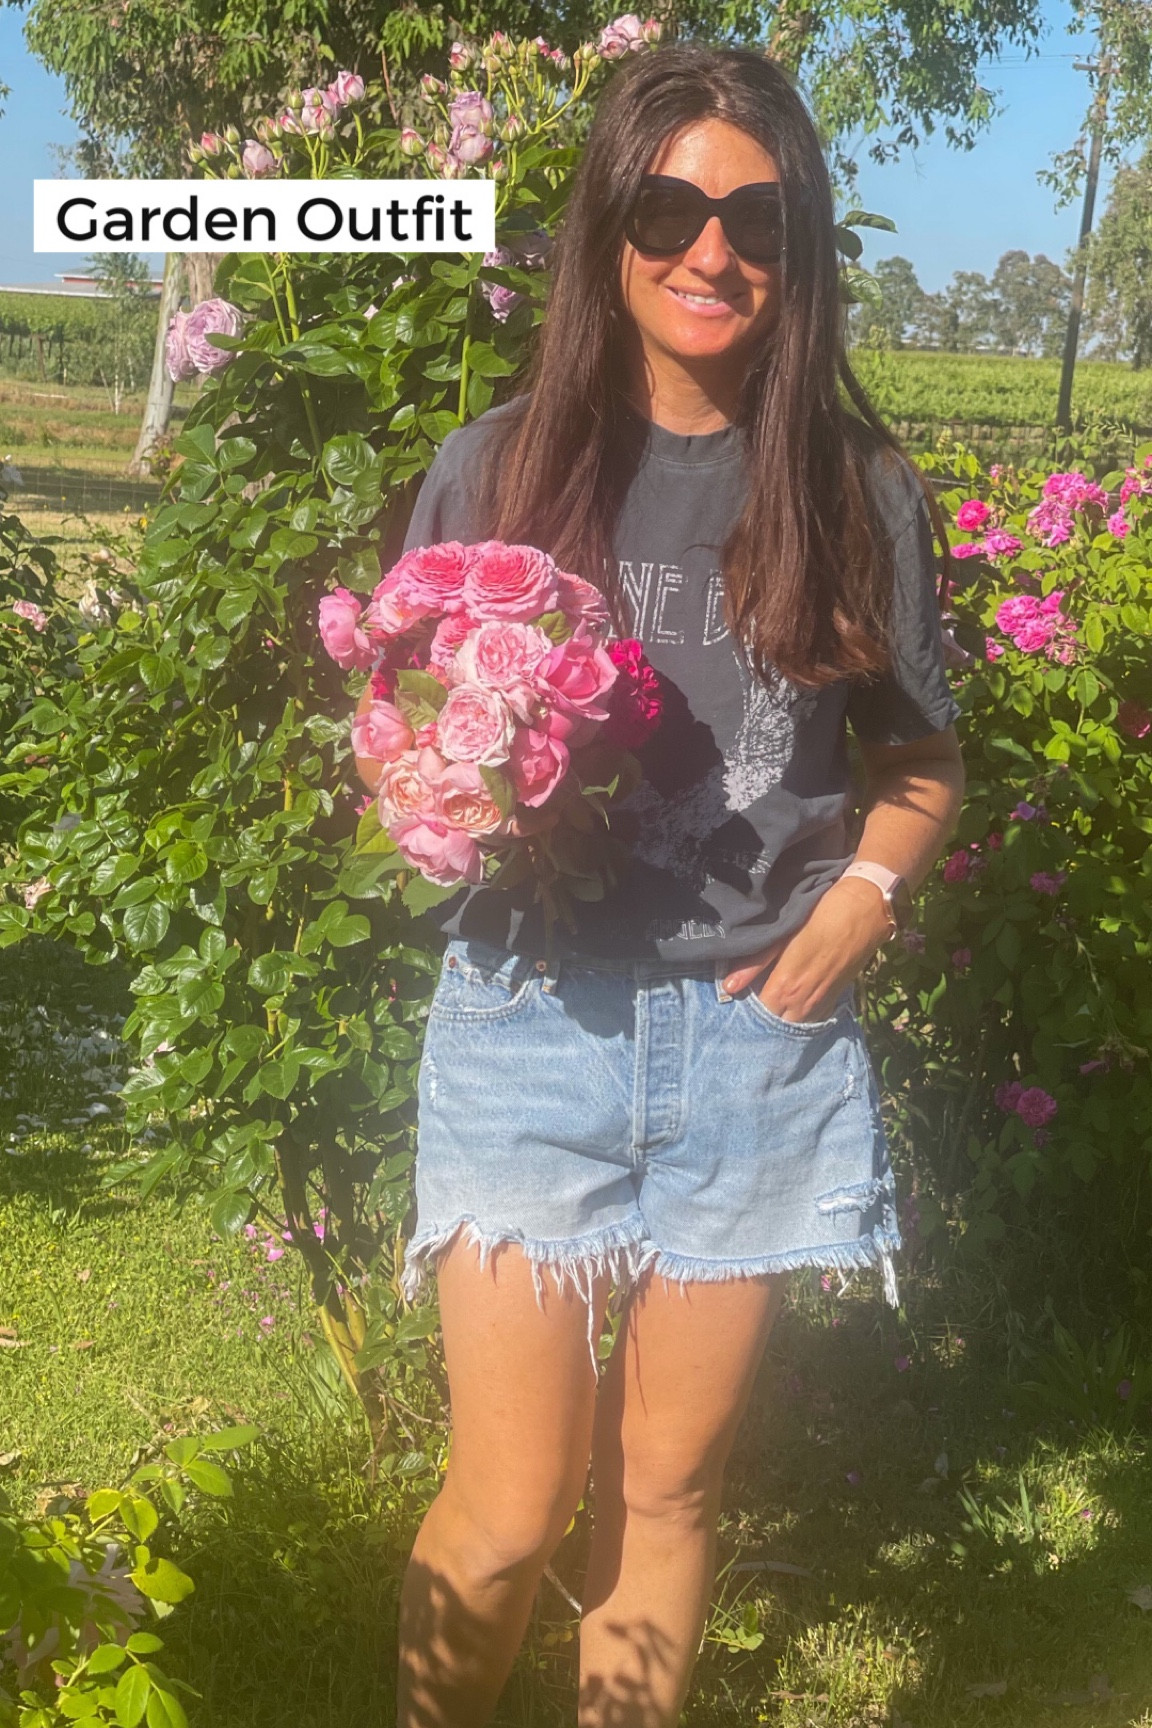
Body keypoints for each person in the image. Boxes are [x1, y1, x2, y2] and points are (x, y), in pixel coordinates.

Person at [356, 40, 966, 1728]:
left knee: (670, 1493)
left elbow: (920, 766)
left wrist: (863, 899)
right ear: (609, 229)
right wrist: (439, 787)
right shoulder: (496, 473)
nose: (714, 250)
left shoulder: (857, 493)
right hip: (529, 1027)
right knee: (502, 1510)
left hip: (758, 1050)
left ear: (801, 242)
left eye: (756, 216)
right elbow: (401, 729)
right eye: (672, 206)